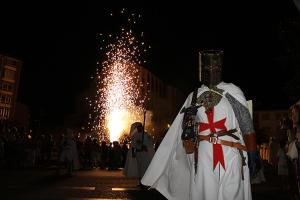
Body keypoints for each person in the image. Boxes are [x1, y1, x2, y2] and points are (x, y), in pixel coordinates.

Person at [141, 50, 260, 200]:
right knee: (205, 194)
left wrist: (252, 152)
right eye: (207, 67)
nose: (211, 70)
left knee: (232, 193)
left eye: (214, 67)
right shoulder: (194, 95)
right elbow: (184, 128)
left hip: (231, 153)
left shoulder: (233, 92)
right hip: (203, 156)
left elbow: (246, 125)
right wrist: (188, 130)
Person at [123, 122, 155, 187]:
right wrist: (133, 153)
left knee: (144, 167)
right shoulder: (135, 135)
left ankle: (145, 182)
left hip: (145, 154)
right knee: (140, 168)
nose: (138, 128)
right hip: (138, 154)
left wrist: (145, 146)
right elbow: (133, 146)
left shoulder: (146, 135)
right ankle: (141, 182)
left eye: (140, 127)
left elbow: (149, 143)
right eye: (137, 127)